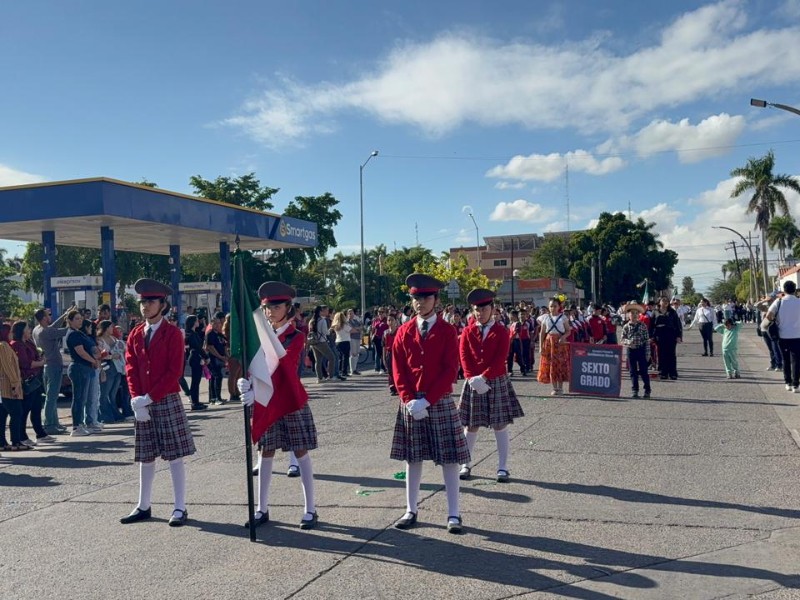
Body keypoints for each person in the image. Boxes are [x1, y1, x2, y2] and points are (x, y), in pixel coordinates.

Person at [237, 281, 319, 530]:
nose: (270, 311)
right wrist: (246, 382)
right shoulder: (258, 337)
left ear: (287, 308)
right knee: (265, 452)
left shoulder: (296, 336)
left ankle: (310, 508)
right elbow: (254, 364)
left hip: (290, 400)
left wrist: (257, 387)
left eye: (276, 307)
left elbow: (284, 366)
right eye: (266, 307)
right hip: (267, 401)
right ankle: (262, 508)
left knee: (301, 451)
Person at [390, 273, 468, 534]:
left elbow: (450, 369)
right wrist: (408, 399)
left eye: (425, 298)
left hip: (438, 400)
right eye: (416, 298)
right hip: (411, 402)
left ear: (436, 300)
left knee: (449, 458)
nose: (420, 303)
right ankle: (410, 509)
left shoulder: (447, 331)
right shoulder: (404, 331)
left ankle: (454, 513)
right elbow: (398, 369)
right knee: (412, 458)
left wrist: (428, 399)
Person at [120, 279, 196, 527]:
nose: (145, 306)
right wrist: (136, 399)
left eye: (151, 301)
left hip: (164, 398)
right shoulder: (135, 333)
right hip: (142, 401)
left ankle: (180, 507)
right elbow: (131, 368)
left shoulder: (173, 333)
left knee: (174, 455)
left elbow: (175, 372)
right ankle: (143, 505)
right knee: (146, 455)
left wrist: (149, 397)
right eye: (143, 301)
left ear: (163, 305)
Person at [458, 288, 524, 483]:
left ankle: (503, 467)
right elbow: (464, 355)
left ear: (492, 309)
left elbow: (501, 358)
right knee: (471, 424)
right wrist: (471, 377)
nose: (480, 313)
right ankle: (466, 464)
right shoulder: (468, 330)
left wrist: (484, 377)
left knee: (499, 424)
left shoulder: (501, 331)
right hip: (473, 381)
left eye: (484, 309)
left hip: (495, 379)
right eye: (477, 310)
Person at [10, 320, 50, 446]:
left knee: (37, 407)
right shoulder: (17, 344)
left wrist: (40, 357)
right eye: (27, 328)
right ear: (22, 330)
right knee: (24, 409)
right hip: (26, 380)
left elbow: (35, 355)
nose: (29, 330)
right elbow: (26, 363)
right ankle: (21, 436)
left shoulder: (28, 342)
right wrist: (41, 363)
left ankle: (40, 434)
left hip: (35, 379)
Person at [32, 306, 71, 435]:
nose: (50, 316)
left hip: (47, 365)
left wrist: (65, 315)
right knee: (52, 397)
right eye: (48, 315)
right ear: (44, 318)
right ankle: (49, 424)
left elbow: (53, 326)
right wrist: (70, 320)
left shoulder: (37, 329)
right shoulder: (46, 331)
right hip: (53, 365)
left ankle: (54, 423)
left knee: (52, 396)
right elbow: (64, 330)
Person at [65, 310, 99, 437]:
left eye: (80, 318)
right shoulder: (73, 334)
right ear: (70, 321)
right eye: (76, 319)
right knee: (79, 398)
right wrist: (93, 360)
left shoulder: (79, 333)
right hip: (79, 367)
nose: (80, 321)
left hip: (86, 368)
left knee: (83, 398)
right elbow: (80, 352)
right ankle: (76, 426)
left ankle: (81, 424)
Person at [766, 281, 800, 392]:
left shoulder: (779, 301)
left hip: (783, 335)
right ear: (795, 290)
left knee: (785, 359)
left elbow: (768, 316)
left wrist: (776, 320)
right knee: (796, 360)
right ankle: (796, 385)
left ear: (784, 290)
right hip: (797, 335)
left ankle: (788, 383)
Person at [537, 296, 572, 395]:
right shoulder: (545, 317)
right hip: (549, 343)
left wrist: (563, 337)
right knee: (551, 364)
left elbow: (568, 331)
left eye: (555, 306)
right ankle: (554, 387)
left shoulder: (563, 317)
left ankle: (560, 388)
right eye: (551, 306)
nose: (553, 308)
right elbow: (542, 333)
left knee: (560, 364)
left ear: (559, 307)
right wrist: (540, 347)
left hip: (560, 343)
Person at [0, 323, 25, 450]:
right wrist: (15, 384)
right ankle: (16, 441)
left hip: (7, 386)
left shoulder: (5, 345)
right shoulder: (3, 346)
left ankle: (2, 443)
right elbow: (8, 367)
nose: (12, 334)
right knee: (17, 412)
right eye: (10, 332)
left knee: (3, 415)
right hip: (8, 386)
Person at [620, 302, 652, 399]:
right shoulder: (626, 327)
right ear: (628, 315)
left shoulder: (643, 326)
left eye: (636, 313)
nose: (634, 315)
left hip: (641, 350)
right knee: (632, 371)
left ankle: (647, 390)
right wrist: (628, 342)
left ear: (639, 315)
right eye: (632, 313)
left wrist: (648, 354)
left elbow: (646, 340)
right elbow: (622, 339)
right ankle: (635, 390)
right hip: (631, 351)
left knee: (644, 371)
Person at [97, 320, 125, 423]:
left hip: (117, 367)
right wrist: (111, 356)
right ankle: (105, 416)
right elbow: (99, 354)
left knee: (112, 394)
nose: (112, 329)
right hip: (107, 367)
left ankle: (115, 414)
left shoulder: (114, 338)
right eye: (110, 327)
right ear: (105, 328)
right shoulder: (99, 340)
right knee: (104, 393)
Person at [307, 305, 340, 382]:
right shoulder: (322, 320)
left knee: (318, 360)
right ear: (320, 311)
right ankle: (331, 376)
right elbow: (325, 332)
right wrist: (331, 330)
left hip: (313, 342)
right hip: (322, 342)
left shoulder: (311, 321)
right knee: (332, 357)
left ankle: (320, 378)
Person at [652, 296, 682, 380]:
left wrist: (678, 336)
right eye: (663, 301)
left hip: (671, 334)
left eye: (667, 301)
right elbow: (652, 325)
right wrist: (651, 336)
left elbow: (677, 325)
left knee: (671, 354)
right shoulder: (655, 312)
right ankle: (663, 372)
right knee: (661, 354)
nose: (665, 302)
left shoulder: (672, 312)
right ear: (659, 302)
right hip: (659, 335)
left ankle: (672, 373)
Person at [184, 315, 209, 411]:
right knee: (195, 381)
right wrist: (206, 356)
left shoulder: (194, 333)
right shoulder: (190, 334)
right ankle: (194, 402)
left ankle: (196, 401)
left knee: (197, 381)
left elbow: (202, 335)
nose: (198, 322)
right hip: (195, 358)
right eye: (197, 321)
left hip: (196, 357)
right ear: (193, 322)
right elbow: (197, 347)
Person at [205, 312, 229, 404]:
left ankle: (216, 397)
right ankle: (215, 398)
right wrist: (220, 357)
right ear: (211, 324)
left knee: (216, 377)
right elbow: (210, 347)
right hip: (213, 359)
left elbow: (224, 345)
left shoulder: (219, 334)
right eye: (215, 323)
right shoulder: (210, 334)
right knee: (217, 376)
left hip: (220, 358)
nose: (218, 325)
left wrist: (227, 356)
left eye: (219, 323)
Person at [330, 311, 352, 378]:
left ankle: (338, 370)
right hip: (345, 341)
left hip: (338, 341)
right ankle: (344, 371)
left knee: (339, 357)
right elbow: (351, 330)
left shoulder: (335, 326)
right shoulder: (345, 325)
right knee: (345, 357)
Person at [347, 309, 363, 375]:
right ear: (347, 314)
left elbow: (361, 327)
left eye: (352, 313)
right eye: (349, 313)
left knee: (357, 353)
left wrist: (357, 329)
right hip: (352, 338)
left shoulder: (356, 321)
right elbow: (351, 330)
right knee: (352, 353)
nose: (351, 315)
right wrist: (357, 329)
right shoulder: (347, 322)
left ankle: (355, 368)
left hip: (357, 338)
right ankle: (352, 370)